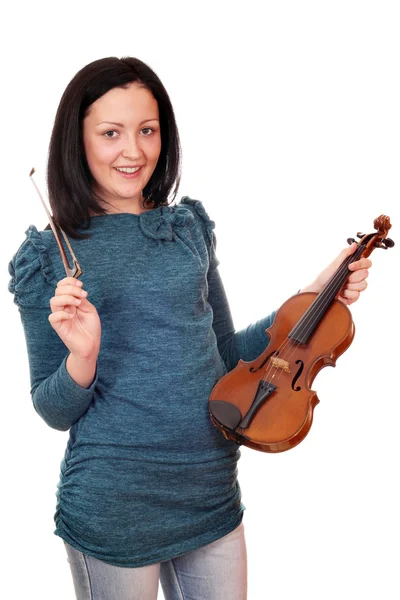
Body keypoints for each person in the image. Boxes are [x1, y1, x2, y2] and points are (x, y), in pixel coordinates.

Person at [7, 56, 372, 600]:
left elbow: (227, 355)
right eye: (111, 133)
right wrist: (82, 359)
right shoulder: (47, 257)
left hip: (210, 491)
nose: (134, 151)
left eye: (147, 130)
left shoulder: (186, 229)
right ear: (76, 141)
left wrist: (312, 298)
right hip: (116, 507)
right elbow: (52, 409)